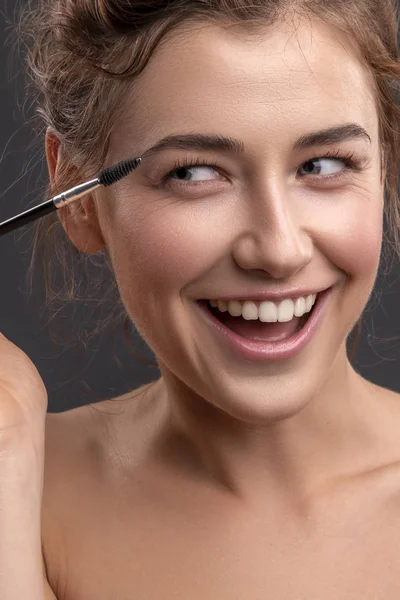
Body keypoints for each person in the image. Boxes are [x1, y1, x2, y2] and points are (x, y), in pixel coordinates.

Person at [1, 0, 400, 598]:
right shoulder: (24, 496)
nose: (279, 249)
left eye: (322, 164)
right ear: (78, 196)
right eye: (193, 173)